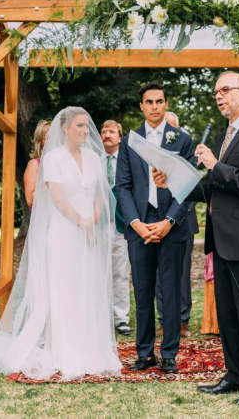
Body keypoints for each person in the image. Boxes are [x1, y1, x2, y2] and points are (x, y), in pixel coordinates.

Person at [0, 107, 122, 381]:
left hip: (89, 233)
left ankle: (88, 346)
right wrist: (81, 222)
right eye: (79, 126)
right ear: (65, 128)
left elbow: (99, 193)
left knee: (86, 286)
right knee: (63, 288)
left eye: (86, 126)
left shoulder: (95, 158)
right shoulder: (53, 159)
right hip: (63, 232)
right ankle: (62, 348)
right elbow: (58, 199)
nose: (85, 131)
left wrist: (92, 221)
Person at [153, 71, 239, 406]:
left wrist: (213, 163)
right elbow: (214, 189)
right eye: (215, 92)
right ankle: (237, 375)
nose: (219, 96)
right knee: (227, 313)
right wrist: (173, 184)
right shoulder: (226, 134)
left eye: (225, 90)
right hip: (222, 238)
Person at [116, 82, 195, 374]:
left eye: (159, 101)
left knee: (171, 293)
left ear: (165, 104)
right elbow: (122, 186)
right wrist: (136, 223)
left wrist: (168, 221)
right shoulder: (130, 141)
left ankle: (170, 353)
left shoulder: (181, 139)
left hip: (171, 226)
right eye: (148, 102)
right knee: (143, 291)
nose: (154, 106)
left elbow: (188, 185)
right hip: (139, 226)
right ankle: (145, 352)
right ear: (142, 106)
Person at [155, 111, 198, 338]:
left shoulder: (186, 151)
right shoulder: (154, 155)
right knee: (160, 275)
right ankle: (163, 319)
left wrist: (176, 217)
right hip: (158, 221)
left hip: (184, 221)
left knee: (182, 273)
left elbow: (192, 187)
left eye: (172, 128)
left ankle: (182, 320)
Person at [100, 120, 132, 336]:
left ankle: (121, 318)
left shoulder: (129, 161)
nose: (107, 134)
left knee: (120, 272)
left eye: (112, 131)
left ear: (120, 137)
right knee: (97, 271)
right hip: (97, 224)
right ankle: (99, 317)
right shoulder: (93, 160)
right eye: (104, 131)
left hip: (122, 223)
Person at [24, 120, 52, 209]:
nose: (52, 140)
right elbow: (29, 199)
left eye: (54, 137)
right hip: (44, 215)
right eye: (47, 138)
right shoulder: (35, 164)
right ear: (40, 143)